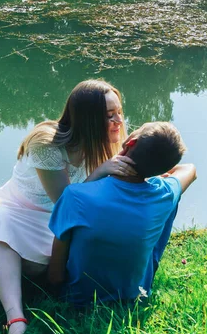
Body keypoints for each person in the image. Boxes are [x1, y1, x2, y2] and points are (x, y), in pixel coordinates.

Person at [0, 79, 136, 334]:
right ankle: (16, 322)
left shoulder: (105, 144)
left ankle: (6, 264)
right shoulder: (46, 143)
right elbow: (66, 203)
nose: (119, 121)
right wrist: (102, 171)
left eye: (119, 112)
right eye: (109, 116)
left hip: (57, 222)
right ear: (86, 119)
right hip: (18, 212)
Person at [48, 122, 197, 306]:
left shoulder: (75, 195)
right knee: (171, 200)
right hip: (134, 295)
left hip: (78, 299)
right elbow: (190, 169)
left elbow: (55, 276)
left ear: (131, 142)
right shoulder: (163, 193)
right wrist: (156, 174)